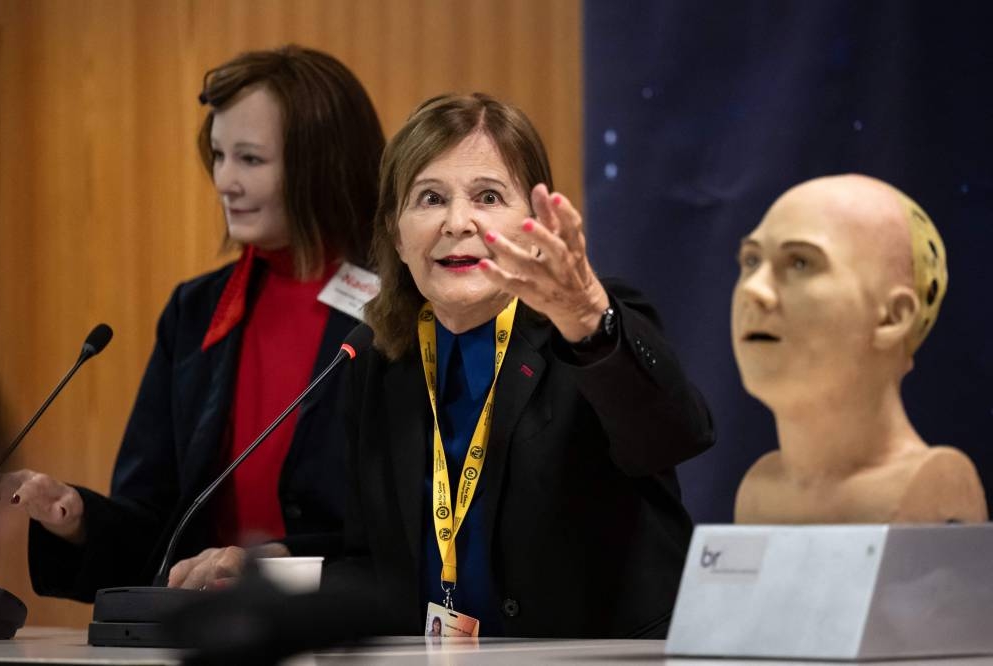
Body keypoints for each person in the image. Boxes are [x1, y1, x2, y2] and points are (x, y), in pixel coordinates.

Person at [0, 45, 385, 601]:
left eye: (250, 159)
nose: (224, 180)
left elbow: (405, 535)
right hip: (213, 633)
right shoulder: (195, 311)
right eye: (218, 155)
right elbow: (156, 525)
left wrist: (271, 564)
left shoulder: (396, 310)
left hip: (354, 629)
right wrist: (77, 518)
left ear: (322, 164)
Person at [322, 92, 715, 639]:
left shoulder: (586, 331)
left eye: (487, 196)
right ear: (395, 230)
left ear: (534, 220)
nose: (458, 222)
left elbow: (671, 437)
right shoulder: (376, 356)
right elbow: (370, 563)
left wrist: (586, 317)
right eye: (430, 198)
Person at [732, 174, 988, 524]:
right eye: (750, 261)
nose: (754, 290)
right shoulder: (759, 492)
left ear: (892, 318)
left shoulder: (934, 488)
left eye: (800, 263)